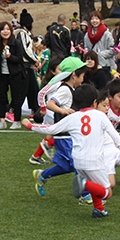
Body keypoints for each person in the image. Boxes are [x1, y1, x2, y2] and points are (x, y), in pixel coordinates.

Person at [23, 84, 120, 218]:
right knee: (107, 192)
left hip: (78, 161)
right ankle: (84, 185)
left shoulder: (73, 117)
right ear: (94, 102)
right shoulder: (100, 116)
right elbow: (116, 137)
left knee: (94, 183)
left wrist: (30, 126)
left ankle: (99, 209)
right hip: (94, 161)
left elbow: (51, 129)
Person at [31, 57, 88, 200]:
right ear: (74, 75)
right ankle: (86, 195)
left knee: (66, 166)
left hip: (68, 134)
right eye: (82, 76)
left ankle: (42, 175)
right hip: (63, 135)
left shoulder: (71, 89)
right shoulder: (65, 90)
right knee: (77, 163)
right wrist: (63, 111)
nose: (83, 78)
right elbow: (50, 103)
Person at [0, 21, 25, 129]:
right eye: (3, 29)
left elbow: (20, 59)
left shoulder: (16, 43)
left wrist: (10, 56)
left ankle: (17, 120)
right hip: (2, 74)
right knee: (2, 97)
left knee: (16, 97)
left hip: (15, 74)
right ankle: (2, 120)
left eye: (7, 29)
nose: (5, 32)